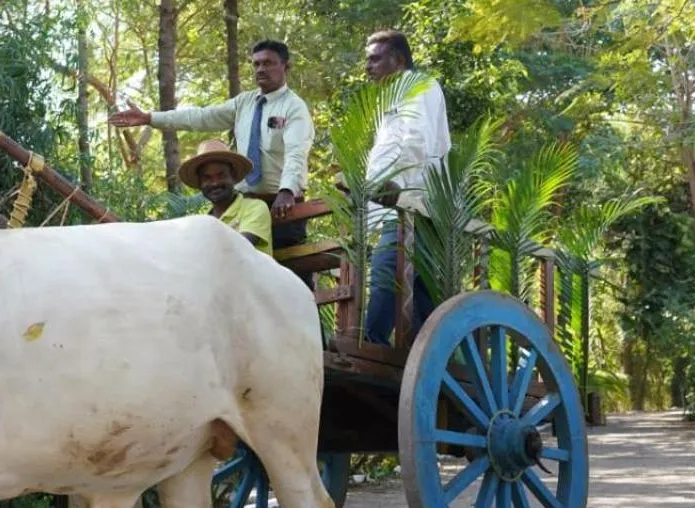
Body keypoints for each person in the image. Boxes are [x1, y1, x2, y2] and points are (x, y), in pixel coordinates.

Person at [109, 39, 314, 251]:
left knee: (290, 269)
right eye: (257, 64)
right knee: (236, 262)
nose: (261, 69)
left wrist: (287, 190)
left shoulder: (294, 107)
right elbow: (201, 117)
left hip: (281, 203)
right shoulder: (244, 103)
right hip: (245, 206)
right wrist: (150, 118)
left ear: (285, 66)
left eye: (268, 63)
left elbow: (296, 153)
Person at [361, 29, 451, 345]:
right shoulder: (393, 95)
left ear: (398, 60)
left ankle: (373, 342)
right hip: (400, 205)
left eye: (375, 59)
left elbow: (417, 140)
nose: (368, 66)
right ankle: (435, 359)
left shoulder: (417, 87)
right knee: (422, 290)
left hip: (409, 202)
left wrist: (395, 187)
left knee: (387, 270)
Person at [177, 139, 273, 256]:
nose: (215, 183)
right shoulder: (202, 222)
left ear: (233, 177)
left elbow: (238, 249)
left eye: (221, 175)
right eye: (207, 178)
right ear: (200, 183)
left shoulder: (254, 208)